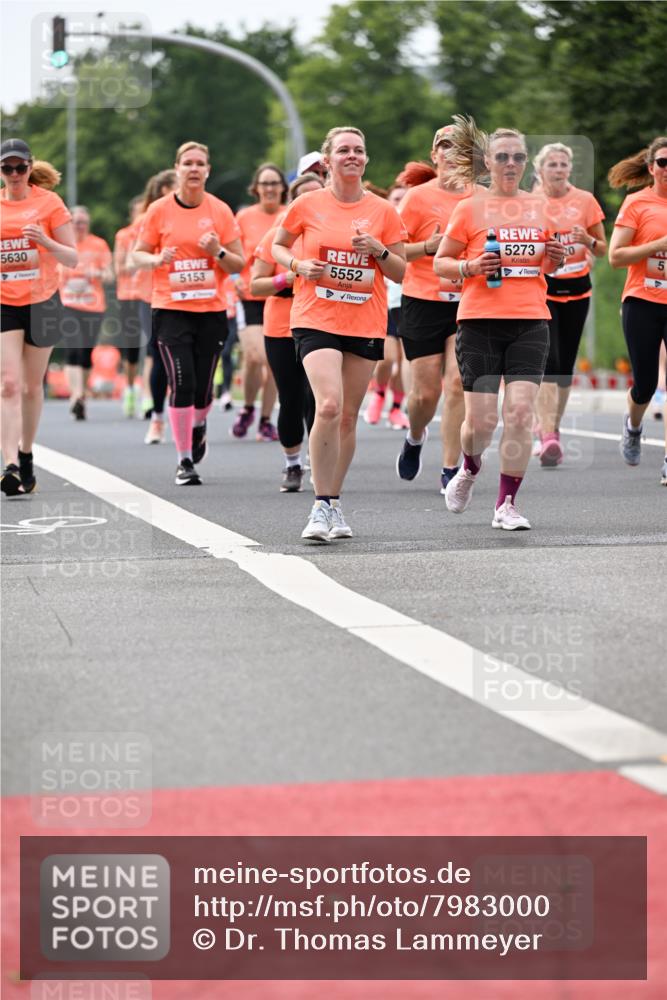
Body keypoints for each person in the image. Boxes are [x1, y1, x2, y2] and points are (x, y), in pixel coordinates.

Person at [272, 126, 407, 541]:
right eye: (344, 150)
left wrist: (378, 251)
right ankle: (319, 504)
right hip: (315, 317)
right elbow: (277, 246)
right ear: (327, 161)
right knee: (328, 405)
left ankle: (333, 501)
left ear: (366, 160)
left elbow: (401, 270)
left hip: (365, 322)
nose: (352, 156)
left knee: (348, 416)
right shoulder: (307, 204)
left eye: (359, 150)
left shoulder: (384, 211)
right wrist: (297, 267)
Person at [434, 116, 565, 530]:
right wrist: (471, 265)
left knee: (522, 413)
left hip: (530, 319)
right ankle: (469, 468)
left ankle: (506, 503)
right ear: (488, 162)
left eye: (518, 157)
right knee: (482, 422)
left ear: (525, 163)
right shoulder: (469, 207)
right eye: (503, 157)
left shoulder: (541, 206)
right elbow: (441, 263)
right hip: (479, 321)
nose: (511, 163)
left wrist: (554, 260)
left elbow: (546, 263)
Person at [132, 141, 244, 485]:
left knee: (204, 389)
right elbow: (138, 254)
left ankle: (198, 424)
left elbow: (239, 263)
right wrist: (156, 260)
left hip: (210, 309)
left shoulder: (220, 211)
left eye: (200, 163)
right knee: (182, 382)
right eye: (187, 163)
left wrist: (217, 251)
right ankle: (184, 461)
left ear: (207, 170)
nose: (194, 168)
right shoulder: (159, 211)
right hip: (170, 308)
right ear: (177, 169)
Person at [394, 125, 473, 491]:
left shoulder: (481, 197)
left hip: (469, 301)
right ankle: (414, 436)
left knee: (457, 383)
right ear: (434, 155)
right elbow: (392, 252)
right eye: (444, 146)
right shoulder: (415, 199)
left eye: (459, 147)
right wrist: (428, 246)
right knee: (426, 394)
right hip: (423, 299)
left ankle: (449, 468)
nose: (451, 152)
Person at [1, 139, 76, 495]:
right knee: (8, 384)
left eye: (20, 168)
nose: (14, 174)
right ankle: (10, 464)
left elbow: (72, 258)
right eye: (7, 168)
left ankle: (27, 453)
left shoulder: (49, 203)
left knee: (32, 386)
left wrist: (45, 241)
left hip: (42, 301)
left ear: (30, 168)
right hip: (4, 302)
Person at [532, 143, 606, 466]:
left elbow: (603, 248)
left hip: (578, 289)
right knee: (550, 360)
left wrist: (586, 240)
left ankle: (552, 429)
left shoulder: (585, 201)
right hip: (544, 289)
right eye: (552, 164)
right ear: (540, 170)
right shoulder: (532, 203)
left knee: (564, 368)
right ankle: (547, 434)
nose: (559, 169)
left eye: (564, 164)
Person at [250, 171, 324, 492]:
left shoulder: (334, 233)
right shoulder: (277, 235)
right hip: (281, 328)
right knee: (292, 398)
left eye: (318, 194)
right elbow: (255, 285)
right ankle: (292, 463)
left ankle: (320, 463)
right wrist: (287, 280)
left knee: (319, 400)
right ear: (294, 201)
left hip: (322, 324)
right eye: (304, 195)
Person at [608, 136, 667, 484]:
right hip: (642, 300)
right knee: (644, 384)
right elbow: (616, 257)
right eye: (663, 163)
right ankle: (633, 426)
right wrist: (657, 245)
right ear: (651, 168)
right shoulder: (637, 203)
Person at [232, 162, 287, 441]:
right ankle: (248, 408)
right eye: (264, 184)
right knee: (256, 357)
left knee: (273, 362)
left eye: (274, 183)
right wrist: (234, 279)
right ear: (256, 189)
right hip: (250, 296)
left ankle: (265, 419)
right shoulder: (244, 217)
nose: (269, 189)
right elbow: (230, 252)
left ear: (282, 188)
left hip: (279, 296)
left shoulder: (289, 215)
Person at [134, 169, 178, 444]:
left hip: (189, 298)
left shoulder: (201, 211)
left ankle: (185, 415)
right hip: (152, 295)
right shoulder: (150, 215)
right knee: (157, 355)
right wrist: (157, 259)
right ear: (164, 190)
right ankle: (158, 417)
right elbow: (134, 256)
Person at [362, 181, 410, 429]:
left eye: (405, 198)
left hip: (412, 299)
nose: (401, 202)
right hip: (386, 300)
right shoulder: (380, 224)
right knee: (387, 358)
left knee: (404, 362)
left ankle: (396, 408)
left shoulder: (416, 225)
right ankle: (379, 393)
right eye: (396, 198)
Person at [58, 205, 113, 420]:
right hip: (68, 304)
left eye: (83, 222)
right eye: (75, 222)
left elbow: (110, 275)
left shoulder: (98, 245)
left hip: (93, 306)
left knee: (86, 353)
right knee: (73, 346)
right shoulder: (61, 244)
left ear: (87, 224)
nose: (79, 226)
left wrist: (96, 272)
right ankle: (77, 395)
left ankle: (81, 395)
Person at [113, 195, 145, 418]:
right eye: (138, 211)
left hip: (150, 294)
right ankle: (131, 387)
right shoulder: (124, 235)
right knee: (131, 347)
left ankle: (151, 393)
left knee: (154, 345)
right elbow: (118, 269)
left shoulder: (154, 233)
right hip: (128, 295)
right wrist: (138, 258)